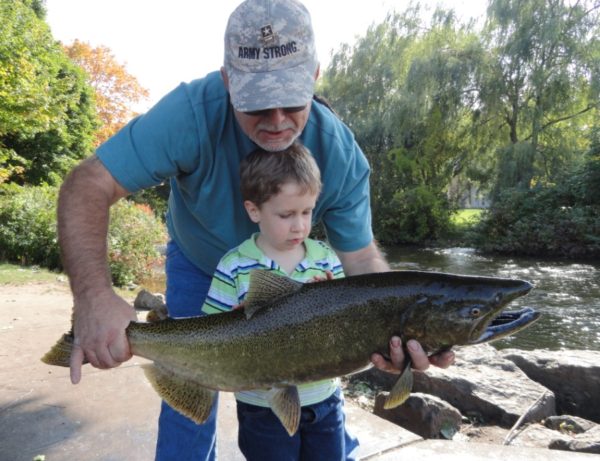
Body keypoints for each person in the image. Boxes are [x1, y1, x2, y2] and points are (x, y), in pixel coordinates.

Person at [56, 0, 455, 459]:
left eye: (292, 101)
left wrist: (405, 327)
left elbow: (362, 259)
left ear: (315, 76)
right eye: (258, 105)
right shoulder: (191, 113)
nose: (278, 121)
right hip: (200, 260)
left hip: (289, 275)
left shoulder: (339, 151)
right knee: (190, 404)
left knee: (316, 394)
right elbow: (88, 184)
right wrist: (93, 298)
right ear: (228, 80)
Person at [202, 142, 357, 460]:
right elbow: (207, 333)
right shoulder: (234, 264)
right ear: (254, 210)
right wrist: (232, 321)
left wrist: (333, 300)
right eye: (286, 214)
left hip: (324, 400)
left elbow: (350, 323)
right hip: (261, 408)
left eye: (307, 211)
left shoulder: (326, 260)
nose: (300, 225)